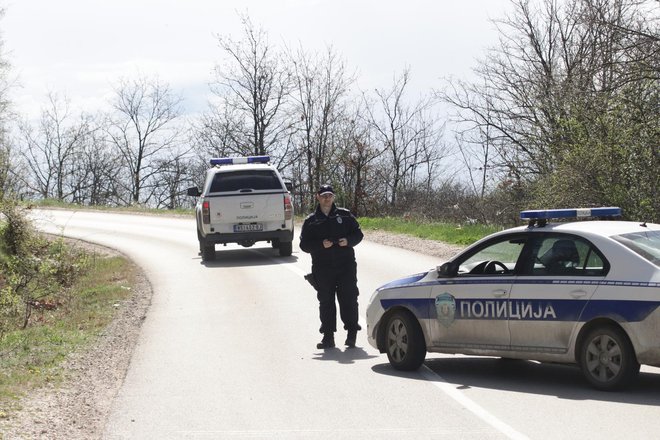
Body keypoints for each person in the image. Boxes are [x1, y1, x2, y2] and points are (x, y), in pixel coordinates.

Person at [300, 184, 364, 349]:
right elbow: (304, 245)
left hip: (346, 266)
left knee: (349, 299)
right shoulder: (311, 221)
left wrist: (348, 241)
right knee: (326, 301)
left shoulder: (345, 215)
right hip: (323, 267)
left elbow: (358, 234)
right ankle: (328, 337)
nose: (327, 198)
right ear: (318, 197)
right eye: (324, 195)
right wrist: (321, 244)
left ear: (333, 197)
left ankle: (352, 334)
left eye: (329, 195)